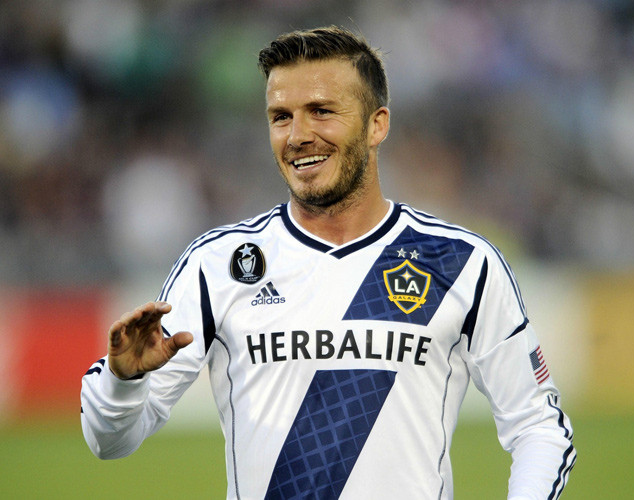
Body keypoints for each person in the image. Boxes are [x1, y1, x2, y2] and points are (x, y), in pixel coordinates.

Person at [81, 26, 575, 499]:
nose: (297, 135)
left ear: (377, 124)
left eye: (321, 111)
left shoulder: (461, 262)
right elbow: (110, 442)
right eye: (281, 116)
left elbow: (538, 426)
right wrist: (123, 384)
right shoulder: (219, 265)